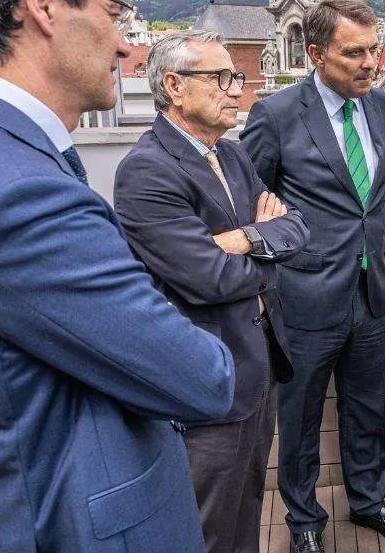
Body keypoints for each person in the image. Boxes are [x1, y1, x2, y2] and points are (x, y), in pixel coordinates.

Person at [0, 0, 235, 552]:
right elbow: (204, 377)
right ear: (43, 4)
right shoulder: (24, 196)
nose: (122, 43)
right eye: (114, 12)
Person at [114, 31, 309, 553]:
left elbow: (296, 228)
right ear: (174, 86)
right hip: (207, 382)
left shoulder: (232, 154)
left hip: (258, 365)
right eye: (220, 78)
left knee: (246, 504)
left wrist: (243, 238)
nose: (236, 90)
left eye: (236, 78)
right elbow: (210, 278)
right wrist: (264, 246)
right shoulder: (146, 170)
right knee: (205, 526)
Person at [241, 0, 385, 553]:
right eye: (354, 53)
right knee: (298, 419)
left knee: (368, 409)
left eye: (375, 50)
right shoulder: (275, 114)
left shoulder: (384, 107)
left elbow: (369, 205)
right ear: (317, 55)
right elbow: (253, 203)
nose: (370, 63)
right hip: (304, 297)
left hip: (372, 293)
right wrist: (278, 278)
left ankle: (368, 503)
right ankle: (303, 524)